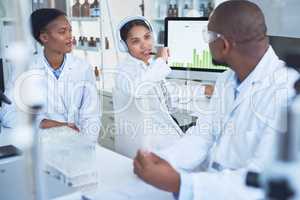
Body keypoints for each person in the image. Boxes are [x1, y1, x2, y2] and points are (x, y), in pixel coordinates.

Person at [133, 1, 299, 199]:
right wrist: (165, 159)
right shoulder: (227, 79)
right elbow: (204, 135)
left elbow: (261, 183)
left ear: (224, 45)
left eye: (208, 36)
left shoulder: (287, 94)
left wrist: (179, 183)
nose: (206, 42)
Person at [114, 16, 186, 158]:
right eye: (136, 41)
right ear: (124, 45)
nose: (145, 45)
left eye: (147, 37)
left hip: (161, 139)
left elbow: (168, 92)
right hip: (148, 147)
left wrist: (203, 90)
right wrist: (160, 61)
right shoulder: (123, 70)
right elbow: (138, 89)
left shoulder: (148, 66)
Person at [29, 8, 101, 143]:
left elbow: (92, 114)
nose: (69, 36)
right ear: (44, 37)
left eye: (70, 30)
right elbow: (9, 114)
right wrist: (58, 126)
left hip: (80, 142)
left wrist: (87, 144)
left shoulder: (83, 68)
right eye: (62, 32)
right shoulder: (26, 69)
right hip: (44, 144)